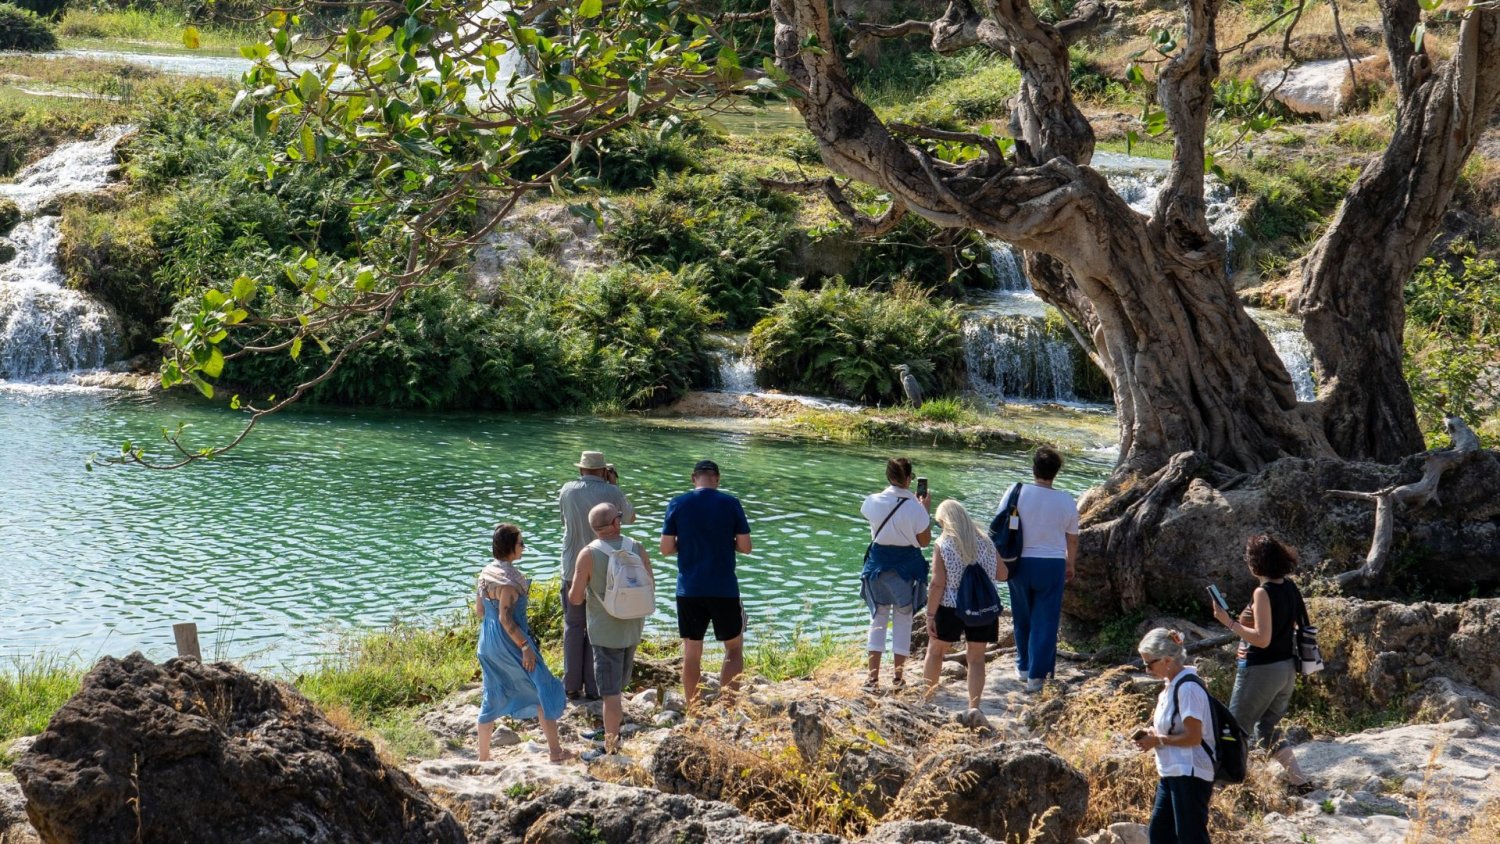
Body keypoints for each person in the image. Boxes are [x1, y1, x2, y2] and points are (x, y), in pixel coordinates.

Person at [1211, 534, 1312, 788]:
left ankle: (1226, 785)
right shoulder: (1289, 586)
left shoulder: (1262, 592)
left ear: (1255, 563)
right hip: (1286, 670)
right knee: (1266, 729)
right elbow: (1297, 624)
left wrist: (1229, 622)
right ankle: (1300, 782)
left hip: (1261, 670)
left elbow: (1262, 639)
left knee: (1232, 728)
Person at [475, 523, 571, 763]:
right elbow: (506, 619)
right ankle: (555, 753)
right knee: (543, 689)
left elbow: (480, 612)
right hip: (512, 641)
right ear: (510, 547)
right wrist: (525, 647)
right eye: (521, 543)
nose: (524, 548)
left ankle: (484, 757)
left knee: (492, 694)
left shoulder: (486, 573)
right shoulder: (508, 582)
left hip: (487, 642)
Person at [660, 459, 751, 710]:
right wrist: (726, 543)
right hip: (724, 589)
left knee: (692, 651)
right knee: (733, 649)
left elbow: (666, 549)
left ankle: (694, 710)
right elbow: (745, 546)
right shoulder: (731, 503)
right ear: (717, 479)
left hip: (689, 589)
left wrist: (685, 545)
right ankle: (728, 708)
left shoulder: (678, 503)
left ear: (693, 478)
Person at [568, 502, 651, 760]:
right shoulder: (636, 547)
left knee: (610, 694)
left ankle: (611, 750)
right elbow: (651, 585)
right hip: (632, 627)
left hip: (605, 632)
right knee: (617, 688)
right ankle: (609, 730)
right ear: (616, 523)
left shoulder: (588, 554)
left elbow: (575, 597)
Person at [557, 450, 636, 701]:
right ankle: (594, 688)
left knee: (572, 624)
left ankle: (570, 685)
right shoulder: (612, 492)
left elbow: (563, 521)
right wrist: (614, 486)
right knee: (596, 628)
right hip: (604, 568)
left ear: (581, 469)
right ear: (604, 471)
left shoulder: (567, 490)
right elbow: (630, 518)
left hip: (572, 565)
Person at [1002, 446, 1079, 693]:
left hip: (1019, 562)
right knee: (1045, 621)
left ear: (1034, 468)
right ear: (1056, 473)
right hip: (1052, 564)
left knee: (1021, 615)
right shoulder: (1066, 499)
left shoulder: (1015, 492)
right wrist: (1071, 562)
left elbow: (999, 525)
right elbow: (1073, 538)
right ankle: (1037, 677)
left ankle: (1023, 667)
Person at [1134, 628, 1215, 844]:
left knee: (1191, 838)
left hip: (1189, 772)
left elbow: (1194, 737)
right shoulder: (1170, 686)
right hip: (1172, 771)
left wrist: (1157, 740)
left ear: (1167, 660)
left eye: (1149, 663)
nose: (1146, 669)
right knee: (1160, 835)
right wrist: (1154, 735)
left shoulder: (1187, 688)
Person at [858, 457, 932, 692]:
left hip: (877, 568)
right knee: (903, 620)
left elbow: (872, 517)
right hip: (906, 571)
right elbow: (924, 542)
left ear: (888, 476)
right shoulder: (915, 508)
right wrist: (925, 511)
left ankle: (872, 679)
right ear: (910, 479)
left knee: (878, 618)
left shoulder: (871, 502)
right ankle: (898, 679)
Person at [923, 499, 1001, 709]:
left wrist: (930, 615)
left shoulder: (943, 544)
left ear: (945, 521)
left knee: (935, 652)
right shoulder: (987, 541)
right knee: (976, 659)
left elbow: (937, 584)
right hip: (982, 607)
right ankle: (974, 707)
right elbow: (1003, 574)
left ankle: (927, 701)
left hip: (951, 606)